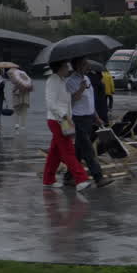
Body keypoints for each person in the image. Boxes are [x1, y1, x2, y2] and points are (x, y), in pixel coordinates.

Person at [42, 60, 92, 191]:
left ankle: (48, 179)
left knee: (55, 152)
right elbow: (51, 103)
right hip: (58, 120)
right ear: (59, 68)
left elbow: (67, 101)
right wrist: (64, 117)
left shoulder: (62, 80)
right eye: (65, 66)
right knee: (68, 150)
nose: (68, 69)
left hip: (64, 119)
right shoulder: (53, 80)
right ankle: (81, 179)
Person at [66, 57, 105, 186]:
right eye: (84, 65)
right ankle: (98, 177)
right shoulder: (70, 81)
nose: (88, 67)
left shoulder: (87, 79)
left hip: (88, 118)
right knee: (88, 150)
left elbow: (90, 101)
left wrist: (96, 117)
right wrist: (80, 89)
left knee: (78, 150)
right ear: (77, 66)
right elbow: (70, 101)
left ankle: (68, 176)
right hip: (78, 119)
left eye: (87, 64)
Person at [9, 67, 33, 132]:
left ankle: (17, 124)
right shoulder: (27, 80)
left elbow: (14, 90)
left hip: (17, 98)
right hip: (25, 99)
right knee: (24, 112)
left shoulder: (16, 80)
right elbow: (31, 89)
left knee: (16, 111)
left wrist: (14, 89)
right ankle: (23, 126)